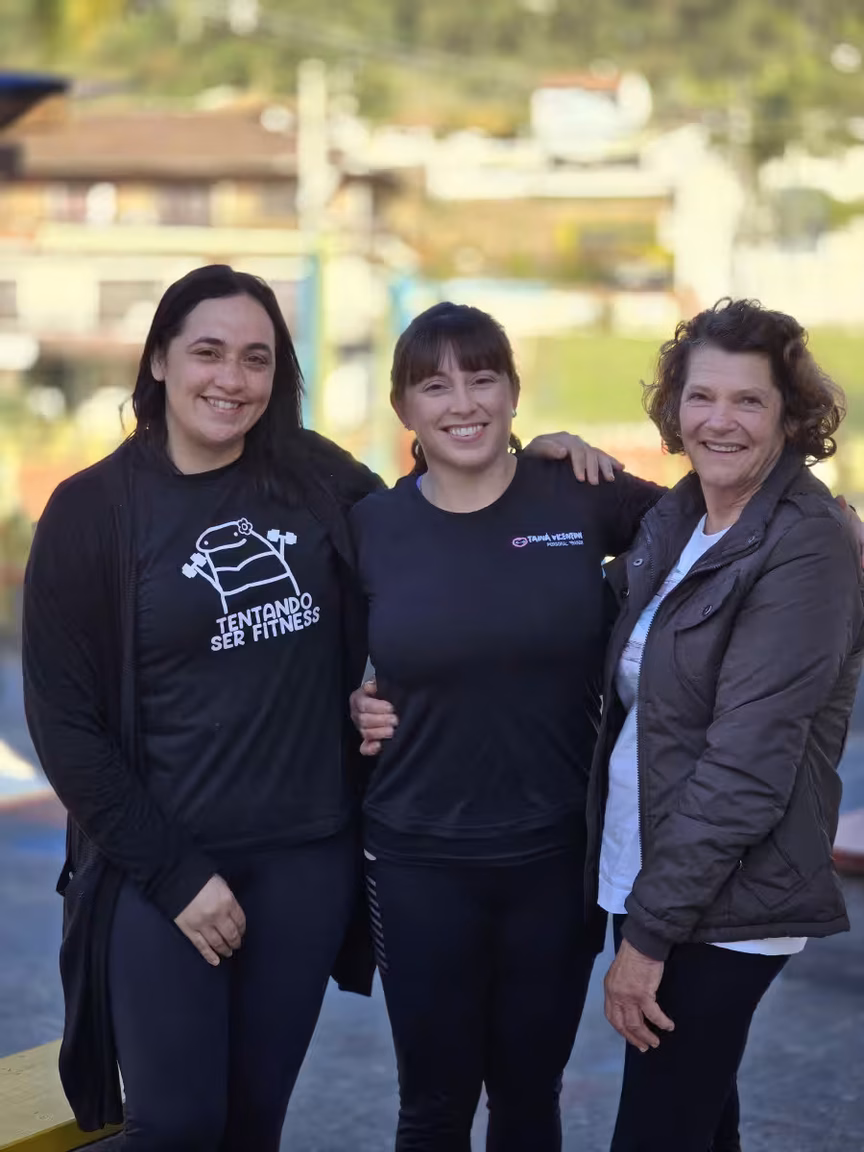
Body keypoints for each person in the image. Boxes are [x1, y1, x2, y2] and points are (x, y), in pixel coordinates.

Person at [22, 265, 612, 1149]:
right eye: (208, 352)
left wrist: (534, 465)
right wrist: (177, 877)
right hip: (162, 862)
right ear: (159, 360)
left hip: (305, 861)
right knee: (177, 1125)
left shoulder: (312, 477)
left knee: (253, 1125)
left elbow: (437, 520)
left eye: (256, 359)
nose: (232, 379)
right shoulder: (92, 511)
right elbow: (64, 724)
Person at [348, 301, 667, 1151]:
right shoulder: (373, 527)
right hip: (417, 860)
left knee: (528, 1099)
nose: (463, 402)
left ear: (514, 393)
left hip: (555, 858)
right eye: (434, 385)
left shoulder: (580, 492)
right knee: (433, 1106)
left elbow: (718, 531)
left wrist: (826, 530)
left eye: (482, 378)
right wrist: (351, 697)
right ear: (403, 409)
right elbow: (322, 657)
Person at [591, 298, 864, 1152]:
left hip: (724, 898)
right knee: (702, 1122)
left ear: (790, 416)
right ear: (675, 408)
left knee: (657, 1130)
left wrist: (649, 935)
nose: (720, 420)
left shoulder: (808, 545)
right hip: (651, 864)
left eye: (749, 400)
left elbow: (747, 763)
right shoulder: (682, 518)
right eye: (702, 396)